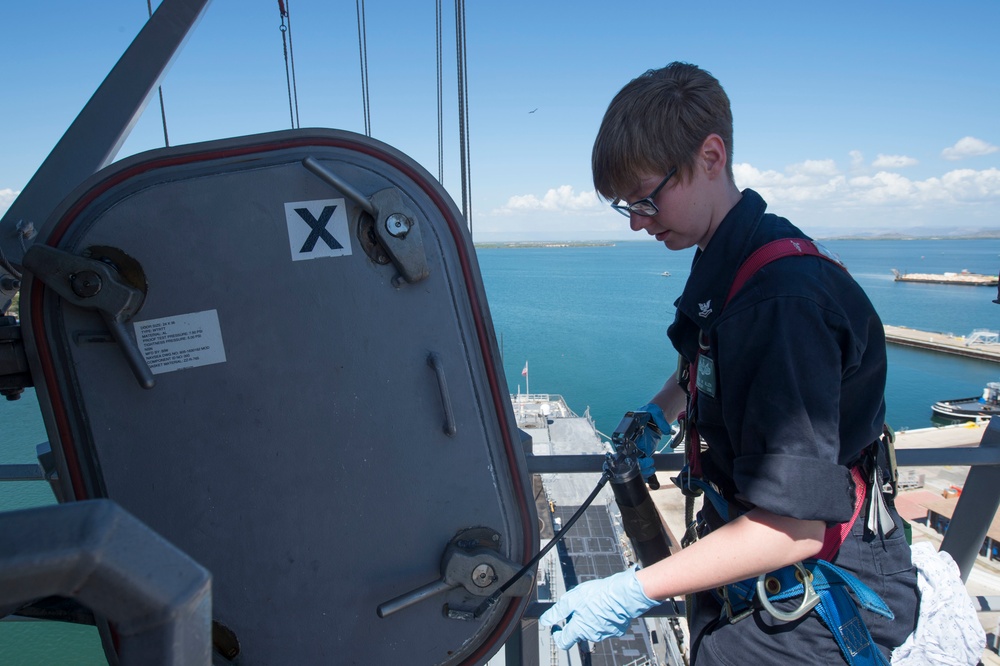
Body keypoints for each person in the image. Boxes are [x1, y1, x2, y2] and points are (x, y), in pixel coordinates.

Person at [539, 62, 919, 664]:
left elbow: (795, 527)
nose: (638, 222)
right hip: (760, 559)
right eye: (625, 207)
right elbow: (708, 361)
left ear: (710, 157)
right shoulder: (736, 252)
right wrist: (660, 412)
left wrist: (629, 591)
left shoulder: (782, 305)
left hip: (822, 584)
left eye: (644, 198)